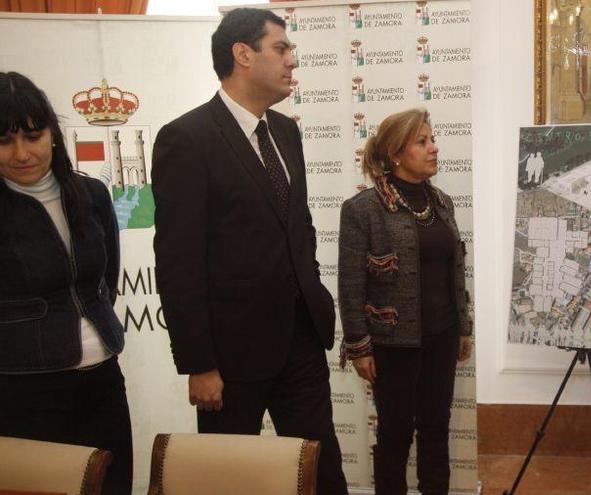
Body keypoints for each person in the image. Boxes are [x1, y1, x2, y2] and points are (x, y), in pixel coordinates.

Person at [151, 8, 347, 494]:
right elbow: (179, 262)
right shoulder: (186, 139)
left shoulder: (286, 132)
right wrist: (198, 363)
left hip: (301, 340)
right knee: (227, 481)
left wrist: (314, 293)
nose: (292, 61)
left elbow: (296, 229)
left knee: (322, 473)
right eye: (281, 49)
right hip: (229, 359)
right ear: (243, 54)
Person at [0, 72, 132, 494]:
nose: (22, 153)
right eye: (5, 141)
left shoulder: (91, 194)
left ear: (53, 136)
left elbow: (105, 284)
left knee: (113, 485)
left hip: (103, 379)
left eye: (33, 136)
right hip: (22, 390)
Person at [338, 108, 473, 495]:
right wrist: (360, 346)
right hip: (392, 343)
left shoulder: (443, 202)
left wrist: (463, 328)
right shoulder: (362, 209)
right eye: (422, 141)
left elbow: (456, 271)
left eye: (432, 139)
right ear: (396, 154)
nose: (434, 148)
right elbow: (350, 284)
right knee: (395, 434)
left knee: (436, 429)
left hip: (442, 337)